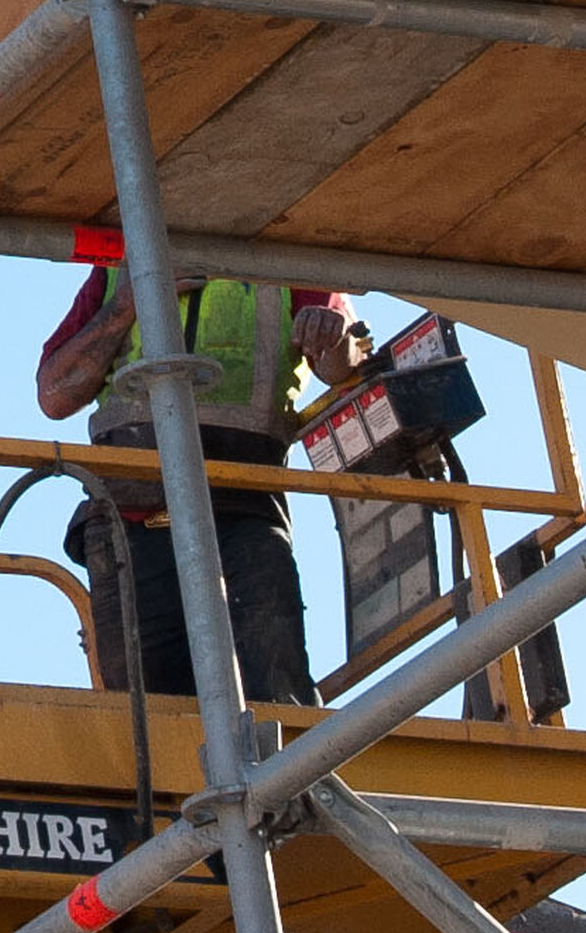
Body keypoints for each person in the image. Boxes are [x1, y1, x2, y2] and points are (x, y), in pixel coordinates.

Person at [41, 247, 366, 711]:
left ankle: (289, 780)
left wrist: (330, 334)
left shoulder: (283, 258)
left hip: (242, 513)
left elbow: (342, 363)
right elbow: (54, 395)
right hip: (131, 520)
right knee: (149, 716)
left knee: (274, 695)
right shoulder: (121, 269)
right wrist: (126, 308)